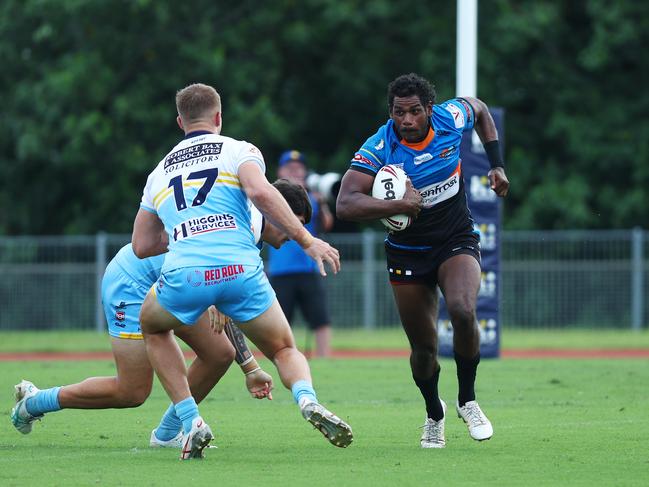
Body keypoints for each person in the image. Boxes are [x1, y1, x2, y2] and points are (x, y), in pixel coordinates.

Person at [131, 83, 352, 459]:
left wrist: (188, 233)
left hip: (186, 273)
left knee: (152, 326)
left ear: (179, 121)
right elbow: (262, 193)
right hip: (241, 270)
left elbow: (142, 245)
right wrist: (307, 240)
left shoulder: (159, 172)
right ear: (218, 117)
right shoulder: (239, 149)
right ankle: (306, 400)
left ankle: (191, 420)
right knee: (283, 347)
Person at [9, 179, 311, 448]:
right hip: (131, 283)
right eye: (292, 222)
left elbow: (223, 305)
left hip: (169, 285)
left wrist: (250, 368)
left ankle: (168, 433)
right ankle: (37, 402)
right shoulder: (243, 225)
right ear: (274, 208)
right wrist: (250, 366)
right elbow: (220, 299)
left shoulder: (247, 230)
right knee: (132, 392)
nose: (296, 234)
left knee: (219, 353)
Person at [336, 73, 509, 449]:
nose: (408, 120)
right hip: (407, 250)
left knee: (463, 311)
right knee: (424, 349)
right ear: (391, 113)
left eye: (415, 111)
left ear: (429, 109)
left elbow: (479, 110)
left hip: (455, 238)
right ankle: (434, 412)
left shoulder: (450, 118)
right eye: (399, 112)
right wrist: (399, 205)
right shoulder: (380, 144)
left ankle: (468, 400)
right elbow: (345, 203)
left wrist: (496, 164)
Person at [267, 150, 334, 357]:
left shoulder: (311, 198)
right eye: (290, 168)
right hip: (281, 270)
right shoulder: (271, 195)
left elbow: (327, 224)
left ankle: (325, 359)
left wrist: (321, 202)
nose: (295, 171)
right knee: (279, 321)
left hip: (308, 268)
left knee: (320, 319)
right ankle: (283, 357)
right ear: (280, 170)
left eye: (299, 168)